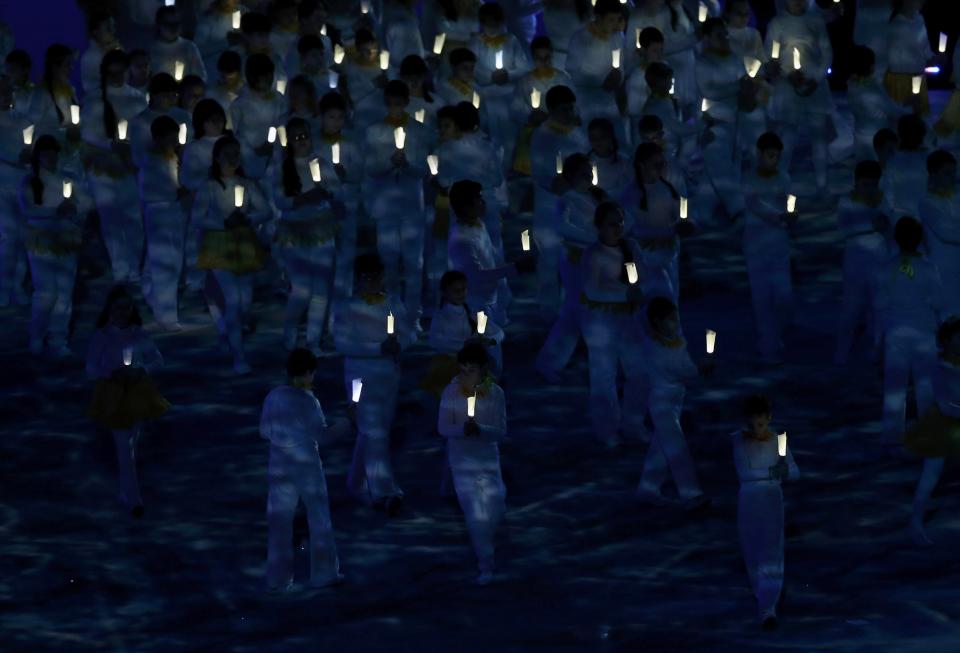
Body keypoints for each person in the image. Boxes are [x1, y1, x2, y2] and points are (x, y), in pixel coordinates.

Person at [260, 348, 352, 591]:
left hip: (278, 464)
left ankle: (277, 578)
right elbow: (323, 437)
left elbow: (263, 431)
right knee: (319, 518)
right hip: (306, 466)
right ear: (309, 372)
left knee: (279, 521)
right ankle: (324, 574)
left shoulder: (273, 396)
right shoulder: (308, 401)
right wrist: (347, 422)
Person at [579, 201, 670, 447]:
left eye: (620, 222)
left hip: (628, 321)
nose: (617, 228)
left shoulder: (631, 247)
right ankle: (606, 429)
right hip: (600, 324)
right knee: (603, 378)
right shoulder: (593, 254)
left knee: (640, 373)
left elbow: (644, 276)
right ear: (599, 226)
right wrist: (623, 294)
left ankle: (633, 423)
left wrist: (642, 291)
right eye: (611, 224)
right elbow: (590, 289)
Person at [332, 253, 416, 515]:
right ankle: (385, 491)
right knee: (374, 432)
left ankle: (355, 483)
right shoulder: (347, 308)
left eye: (376, 277)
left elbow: (410, 333)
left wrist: (398, 344)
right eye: (366, 278)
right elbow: (342, 344)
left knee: (375, 433)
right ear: (357, 279)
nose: (372, 282)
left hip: (389, 376)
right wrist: (378, 348)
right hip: (359, 378)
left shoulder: (393, 304)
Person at [86, 286, 169, 518]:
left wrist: (140, 370)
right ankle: (134, 498)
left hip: (137, 392)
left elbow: (158, 360)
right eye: (117, 308)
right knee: (125, 447)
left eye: (126, 308)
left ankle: (127, 492)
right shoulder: (101, 337)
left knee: (131, 444)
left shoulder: (139, 334)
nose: (122, 312)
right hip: (113, 394)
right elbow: (91, 368)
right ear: (109, 310)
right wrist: (112, 373)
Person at [193, 135, 270, 373]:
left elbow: (265, 210)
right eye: (227, 154)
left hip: (244, 244)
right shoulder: (210, 187)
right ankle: (239, 358)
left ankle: (227, 334)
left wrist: (248, 218)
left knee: (244, 301)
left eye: (236, 154)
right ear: (217, 157)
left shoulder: (246, 184)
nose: (233, 159)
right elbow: (198, 218)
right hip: (219, 246)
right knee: (234, 301)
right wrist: (224, 223)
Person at [437, 342, 508, 585]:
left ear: (483, 370)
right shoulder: (450, 393)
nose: (466, 376)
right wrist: (461, 430)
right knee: (475, 515)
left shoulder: (496, 393)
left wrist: (481, 430)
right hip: (462, 462)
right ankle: (485, 563)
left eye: (472, 370)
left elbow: (501, 431)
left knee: (496, 506)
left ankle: (487, 543)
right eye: (463, 370)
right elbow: (443, 427)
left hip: (488, 460)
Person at [875, 217, 945, 452]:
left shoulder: (886, 268)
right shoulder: (928, 268)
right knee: (925, 385)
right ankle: (928, 432)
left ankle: (891, 433)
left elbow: (879, 303)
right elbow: (938, 301)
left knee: (895, 385)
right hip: (923, 332)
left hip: (896, 332)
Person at [363, 80, 430, 325]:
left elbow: (425, 169)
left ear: (406, 103)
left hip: (412, 206)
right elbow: (370, 169)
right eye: (391, 104)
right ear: (385, 103)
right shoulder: (374, 131)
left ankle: (413, 316)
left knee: (414, 262)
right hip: (386, 208)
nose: (395, 108)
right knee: (389, 262)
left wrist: (408, 165)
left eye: (399, 104)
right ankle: (391, 313)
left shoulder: (420, 131)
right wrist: (390, 163)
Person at [534, 153, 605, 382]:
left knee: (583, 312)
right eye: (582, 174)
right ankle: (551, 361)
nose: (587, 178)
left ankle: (559, 361)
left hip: (594, 260)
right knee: (575, 312)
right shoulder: (568, 199)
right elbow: (561, 226)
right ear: (572, 177)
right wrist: (592, 237)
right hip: (576, 261)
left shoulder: (596, 197)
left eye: (589, 173)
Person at [80, 49, 148, 285]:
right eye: (113, 71)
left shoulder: (137, 98)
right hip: (103, 169)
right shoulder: (94, 99)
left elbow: (144, 129)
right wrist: (110, 144)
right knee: (111, 221)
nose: (118, 75)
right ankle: (120, 269)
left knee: (134, 220)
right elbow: (87, 131)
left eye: (121, 70)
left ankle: (134, 268)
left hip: (130, 167)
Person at [19, 135, 91, 356]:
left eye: (54, 152)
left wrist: (76, 211)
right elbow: (29, 210)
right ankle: (37, 336)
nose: (51, 157)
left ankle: (58, 338)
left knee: (64, 293)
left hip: (66, 241)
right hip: (42, 242)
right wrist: (54, 212)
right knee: (45, 292)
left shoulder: (66, 180)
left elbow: (86, 204)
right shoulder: (29, 181)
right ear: (38, 156)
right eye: (46, 153)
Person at [273, 117, 340, 353]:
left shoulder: (322, 162)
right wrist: (303, 199)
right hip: (294, 233)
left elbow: (336, 190)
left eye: (305, 136)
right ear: (289, 141)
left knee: (321, 289)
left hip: (321, 230)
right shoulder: (282, 168)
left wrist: (329, 189)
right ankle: (289, 337)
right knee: (302, 289)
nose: (302, 141)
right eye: (296, 137)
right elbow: (280, 200)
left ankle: (313, 342)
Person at [733, 394, 799, 629]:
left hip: (771, 500)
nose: (756, 428)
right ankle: (762, 596)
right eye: (751, 423)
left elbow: (795, 471)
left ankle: (768, 606)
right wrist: (775, 472)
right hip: (749, 500)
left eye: (760, 423)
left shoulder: (780, 440)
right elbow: (745, 473)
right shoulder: (738, 441)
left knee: (771, 551)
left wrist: (783, 472)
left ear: (768, 419)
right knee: (752, 549)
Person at [637, 296, 710, 509]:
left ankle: (647, 487)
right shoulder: (656, 348)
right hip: (662, 403)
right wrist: (701, 369)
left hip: (675, 399)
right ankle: (690, 494)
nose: (676, 323)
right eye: (670, 319)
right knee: (677, 448)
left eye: (676, 318)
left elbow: (684, 364)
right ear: (658, 322)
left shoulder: (675, 340)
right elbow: (681, 370)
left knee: (661, 446)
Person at [528, 84, 589, 312]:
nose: (569, 113)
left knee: (576, 261)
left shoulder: (576, 133)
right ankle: (548, 312)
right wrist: (559, 183)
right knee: (549, 261)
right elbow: (540, 171)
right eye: (564, 109)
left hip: (576, 207)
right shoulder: (543, 135)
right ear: (552, 109)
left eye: (571, 108)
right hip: (549, 207)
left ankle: (574, 311)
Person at [764, 0, 833, 197]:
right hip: (788, 87)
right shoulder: (777, 24)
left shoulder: (816, 22)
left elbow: (826, 52)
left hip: (814, 84)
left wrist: (817, 77)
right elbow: (772, 55)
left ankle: (822, 183)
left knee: (818, 134)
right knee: (789, 134)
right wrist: (787, 74)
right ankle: (781, 181)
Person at [739, 132, 795, 363]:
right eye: (771, 155)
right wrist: (779, 216)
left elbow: (790, 202)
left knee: (784, 296)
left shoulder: (784, 177)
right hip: (756, 245)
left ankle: (774, 335)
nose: (775, 160)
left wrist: (792, 215)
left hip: (778, 244)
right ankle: (767, 344)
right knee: (761, 298)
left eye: (777, 156)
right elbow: (755, 205)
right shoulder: (749, 179)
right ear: (760, 154)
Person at [447, 179, 531, 328]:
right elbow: (476, 276)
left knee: (494, 342)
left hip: (491, 301)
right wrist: (514, 268)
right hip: (477, 307)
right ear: (466, 207)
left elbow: (492, 257)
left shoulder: (479, 224)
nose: (483, 202)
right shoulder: (461, 240)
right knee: (486, 344)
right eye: (478, 198)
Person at [834, 160, 892, 365]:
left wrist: (884, 224)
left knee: (880, 307)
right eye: (865, 184)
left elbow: (889, 226)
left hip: (879, 256)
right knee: (851, 308)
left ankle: (878, 354)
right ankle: (841, 355)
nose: (869, 188)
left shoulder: (883, 199)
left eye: (873, 184)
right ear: (856, 182)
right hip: (855, 258)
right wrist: (871, 225)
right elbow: (842, 231)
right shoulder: (846, 201)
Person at [138, 115, 189, 330]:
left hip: (173, 212)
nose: (174, 143)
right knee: (166, 262)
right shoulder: (150, 162)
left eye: (175, 139)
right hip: (160, 213)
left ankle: (151, 293)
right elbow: (151, 190)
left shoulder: (172, 158)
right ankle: (166, 315)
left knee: (166, 259)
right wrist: (176, 191)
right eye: (170, 139)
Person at [619, 141, 684, 304]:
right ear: (642, 165)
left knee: (671, 298)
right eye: (656, 164)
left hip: (668, 256)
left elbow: (681, 216)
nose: (661, 167)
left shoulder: (669, 190)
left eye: (662, 163)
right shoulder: (630, 194)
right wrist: (666, 234)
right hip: (644, 260)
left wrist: (686, 225)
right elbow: (629, 229)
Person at [424, 270, 505, 398]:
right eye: (456, 290)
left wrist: (489, 340)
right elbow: (434, 340)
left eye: (463, 289)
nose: (461, 293)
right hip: (448, 365)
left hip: (471, 365)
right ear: (445, 293)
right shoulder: (441, 316)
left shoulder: (472, 313)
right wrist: (464, 344)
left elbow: (498, 332)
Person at [469, 2, 531, 153]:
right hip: (486, 97)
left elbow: (523, 66)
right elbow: (473, 68)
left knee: (509, 137)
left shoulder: (511, 40)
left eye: (494, 22)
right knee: (490, 136)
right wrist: (491, 77)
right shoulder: (476, 42)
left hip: (508, 96)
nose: (491, 26)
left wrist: (508, 75)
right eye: (487, 22)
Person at [564, 0, 625, 144]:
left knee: (616, 141)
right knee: (589, 142)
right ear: (598, 17)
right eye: (611, 20)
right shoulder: (580, 38)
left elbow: (621, 66)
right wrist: (600, 81)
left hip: (609, 101)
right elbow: (572, 71)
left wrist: (618, 79)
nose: (615, 24)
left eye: (617, 19)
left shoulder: (618, 37)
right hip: (586, 102)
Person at [847, 45, 913, 164]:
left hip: (859, 138)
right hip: (878, 141)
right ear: (872, 66)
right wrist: (911, 107)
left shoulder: (851, 85)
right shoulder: (873, 90)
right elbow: (893, 112)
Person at [0, 74, 32, 306]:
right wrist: (15, 157)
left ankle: (17, 287)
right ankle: (4, 287)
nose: (6, 96)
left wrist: (27, 156)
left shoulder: (22, 119)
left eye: (7, 91)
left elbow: (30, 143)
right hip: (2, 187)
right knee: (10, 238)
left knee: (22, 239)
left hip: (21, 186)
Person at [230, 53, 286, 182]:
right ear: (252, 77)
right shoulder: (239, 105)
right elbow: (235, 135)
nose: (268, 79)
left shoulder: (279, 100)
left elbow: (283, 125)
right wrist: (254, 151)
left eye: (269, 75)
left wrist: (279, 146)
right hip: (250, 162)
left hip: (276, 160)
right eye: (263, 76)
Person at [918, 151, 960, 316]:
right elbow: (947, 232)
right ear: (933, 174)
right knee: (950, 318)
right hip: (944, 270)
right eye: (947, 173)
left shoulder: (957, 198)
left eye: (954, 172)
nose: (952, 177)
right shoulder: (927, 203)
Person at [884, 0, 932, 117]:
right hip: (899, 79)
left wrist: (933, 56)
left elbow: (924, 47)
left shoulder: (919, 19)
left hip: (918, 77)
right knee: (900, 117)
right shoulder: (895, 25)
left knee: (918, 119)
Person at [883, 114, 929, 220]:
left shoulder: (892, 162)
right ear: (922, 135)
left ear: (899, 135)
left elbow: (888, 196)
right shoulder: (931, 159)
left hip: (901, 219)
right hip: (927, 219)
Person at [149, 5, 208, 84]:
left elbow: (201, 76)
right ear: (159, 25)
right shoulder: (151, 50)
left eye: (176, 24)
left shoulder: (189, 47)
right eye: (168, 24)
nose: (173, 28)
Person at [80, 12, 121, 95]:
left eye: (113, 26)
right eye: (108, 28)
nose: (113, 31)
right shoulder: (91, 57)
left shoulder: (117, 48)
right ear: (96, 32)